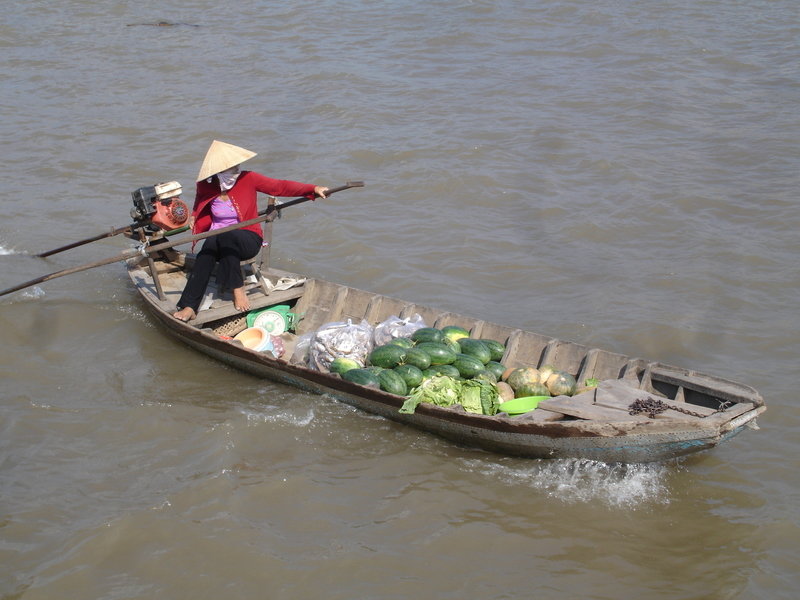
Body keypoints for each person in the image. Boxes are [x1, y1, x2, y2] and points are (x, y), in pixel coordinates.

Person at [172, 140, 328, 322]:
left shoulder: (248, 178)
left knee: (226, 236)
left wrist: (313, 189)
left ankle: (237, 289)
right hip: (218, 238)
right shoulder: (206, 185)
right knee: (205, 254)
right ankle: (189, 306)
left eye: (236, 165)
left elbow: (280, 186)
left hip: (248, 238)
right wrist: (194, 216)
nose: (236, 168)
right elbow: (200, 204)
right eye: (231, 166)